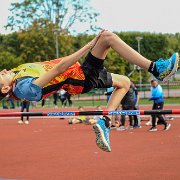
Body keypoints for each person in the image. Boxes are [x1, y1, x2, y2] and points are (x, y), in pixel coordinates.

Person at [0, 30, 178, 152]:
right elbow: (59, 69)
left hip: (79, 74)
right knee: (107, 37)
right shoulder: (24, 89)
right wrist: (88, 46)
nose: (2, 71)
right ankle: (156, 69)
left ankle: (105, 123)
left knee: (124, 83)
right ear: (5, 88)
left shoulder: (15, 74)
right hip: (81, 77)